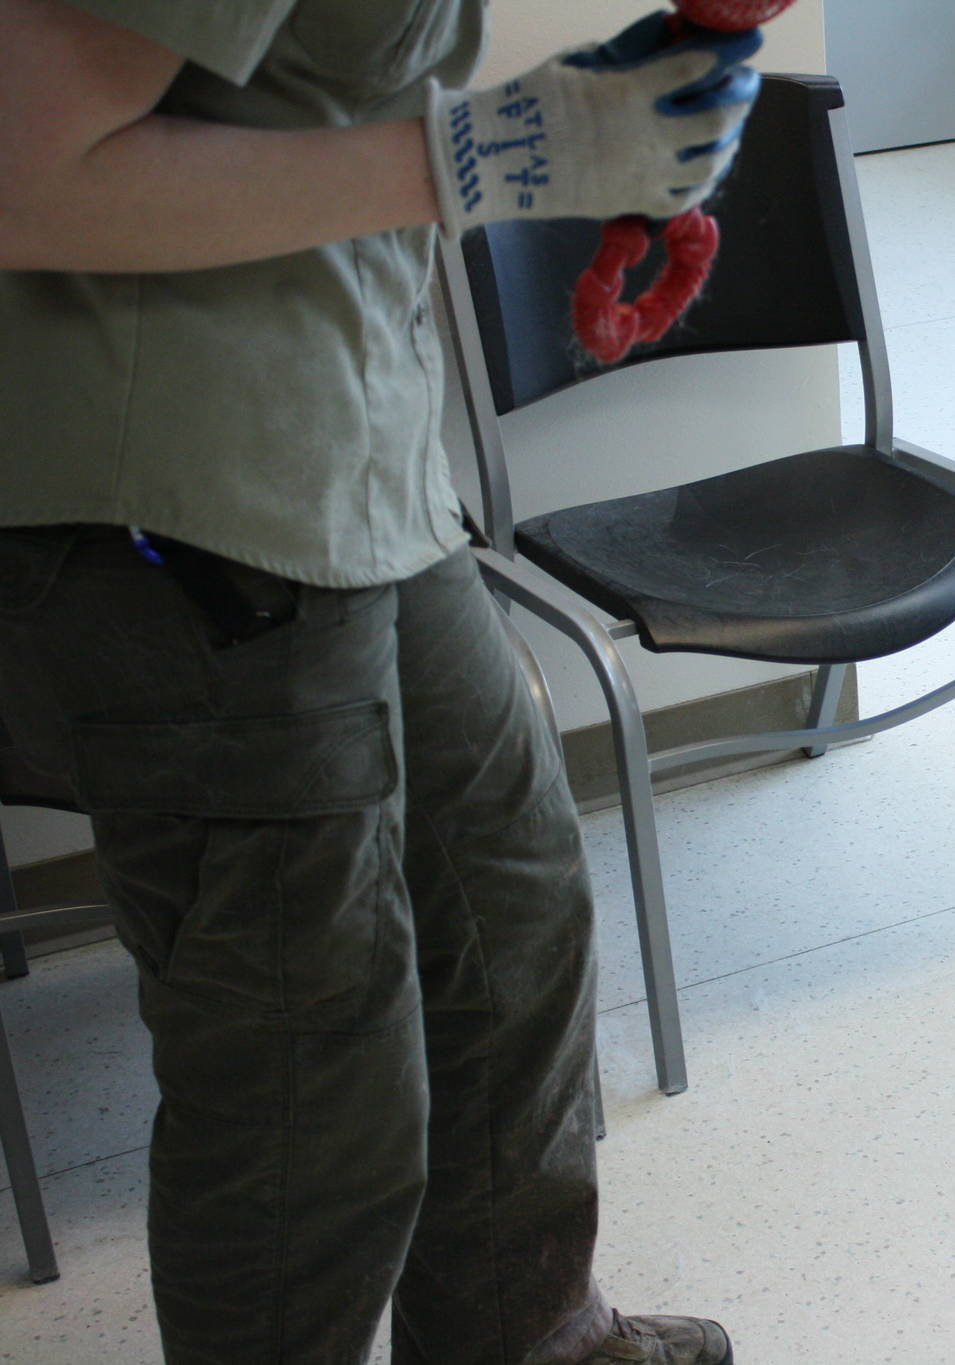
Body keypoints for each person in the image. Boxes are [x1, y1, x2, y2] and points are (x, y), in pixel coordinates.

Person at [0, 1, 762, 1360]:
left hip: (346, 438)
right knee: (312, 1091)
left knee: (507, 902)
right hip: (182, 497)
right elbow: (26, 172)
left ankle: (523, 1337)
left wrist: (599, 115)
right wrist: (481, 156)